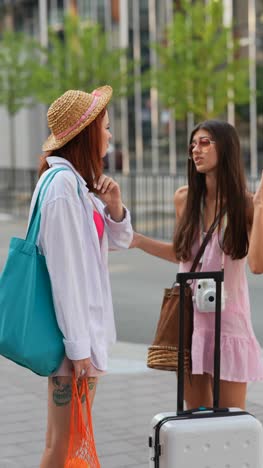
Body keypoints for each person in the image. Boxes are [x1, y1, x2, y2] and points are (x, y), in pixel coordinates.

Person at [28, 86, 133, 467]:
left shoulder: (76, 185)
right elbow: (66, 274)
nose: (109, 135)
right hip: (72, 343)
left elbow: (115, 242)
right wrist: (78, 350)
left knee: (66, 441)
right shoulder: (61, 189)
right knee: (64, 444)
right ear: (87, 133)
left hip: (77, 340)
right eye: (105, 127)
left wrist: (115, 207)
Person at [131, 119, 263, 410]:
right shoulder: (185, 199)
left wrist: (261, 208)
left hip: (229, 322)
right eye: (193, 144)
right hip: (191, 321)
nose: (196, 150)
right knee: (194, 419)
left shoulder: (245, 205)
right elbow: (184, 257)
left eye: (205, 142)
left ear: (226, 149)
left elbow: (257, 264)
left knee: (230, 421)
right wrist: (139, 240)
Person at [248, 170, 263, 273]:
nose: (195, 152)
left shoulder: (245, 203)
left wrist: (258, 203)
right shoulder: (188, 198)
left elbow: (257, 267)